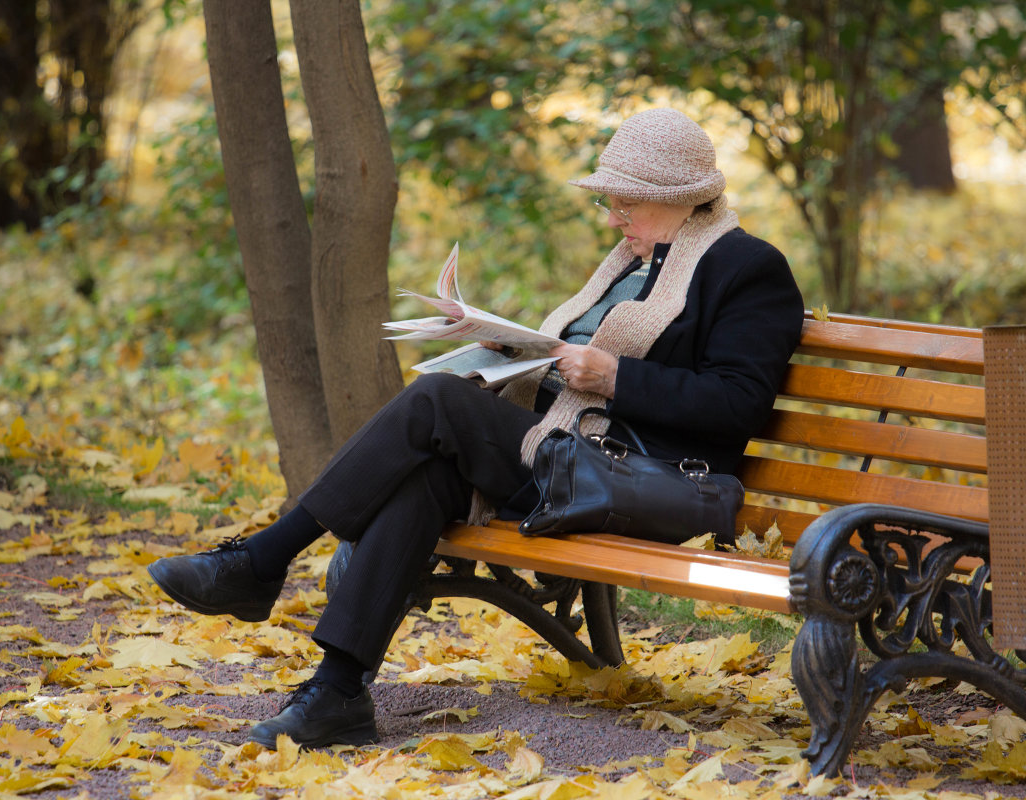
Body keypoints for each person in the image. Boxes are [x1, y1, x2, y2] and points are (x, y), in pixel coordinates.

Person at [146, 107, 805, 749]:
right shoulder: (635, 260)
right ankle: (338, 691)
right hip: (566, 458)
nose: (614, 218)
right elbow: (568, 363)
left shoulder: (746, 268)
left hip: (642, 480)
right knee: (428, 474)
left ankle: (265, 560)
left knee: (434, 401)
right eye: (611, 202)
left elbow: (738, 404)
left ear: (682, 197)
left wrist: (613, 377)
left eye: (627, 203)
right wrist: (500, 348)